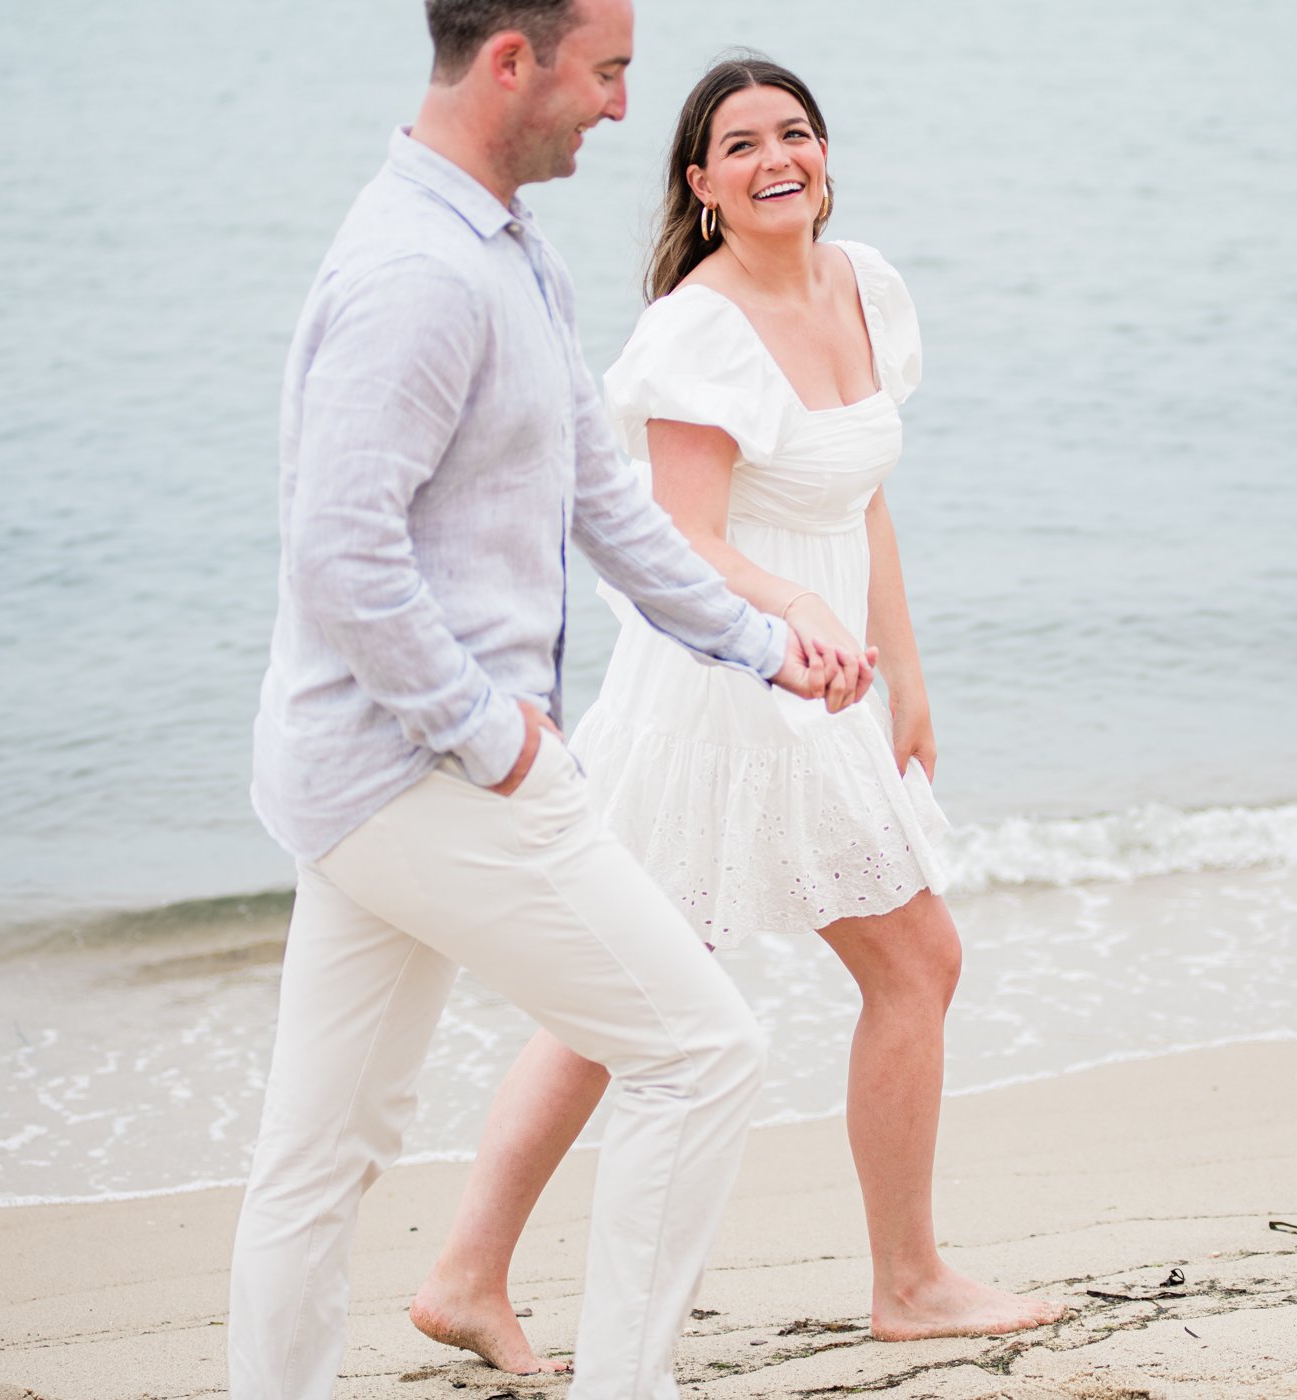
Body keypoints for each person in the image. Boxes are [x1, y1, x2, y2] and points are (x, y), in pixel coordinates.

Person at [229, 5, 873, 1396]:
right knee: (701, 1054)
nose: (622, 108)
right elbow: (340, 550)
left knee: (316, 1157)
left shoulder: (509, 253)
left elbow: (608, 505)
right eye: (608, 72)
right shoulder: (419, 275)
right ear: (512, 62)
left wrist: (765, 644)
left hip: (356, 774)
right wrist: (490, 735)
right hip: (425, 774)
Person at [408, 54, 1065, 1376]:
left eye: (797, 133)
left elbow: (859, 492)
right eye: (743, 143)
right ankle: (909, 1282)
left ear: (825, 155)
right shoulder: (697, 331)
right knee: (814, 972)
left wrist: (905, 667)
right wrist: (794, 623)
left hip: (827, 689)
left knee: (683, 985)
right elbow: (680, 539)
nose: (778, 158)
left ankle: (470, 1273)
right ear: (701, 182)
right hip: (720, 692)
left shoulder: (864, 283)